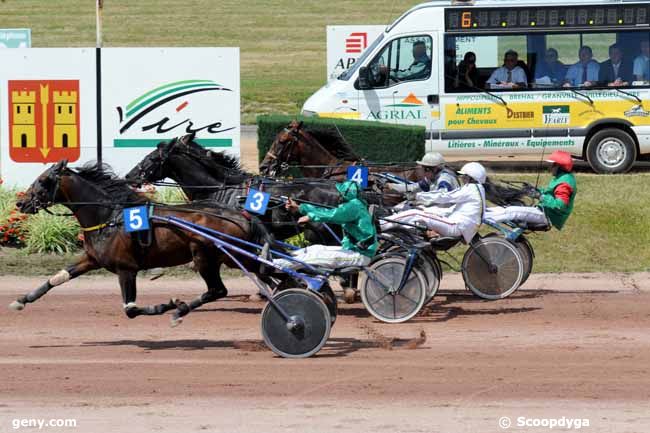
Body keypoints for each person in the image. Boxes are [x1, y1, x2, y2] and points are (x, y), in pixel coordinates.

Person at [275, 181, 377, 270]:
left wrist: (310, 216)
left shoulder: (354, 206)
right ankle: (285, 256)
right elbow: (327, 211)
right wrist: (300, 208)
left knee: (314, 257)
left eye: (341, 193)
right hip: (353, 250)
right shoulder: (356, 204)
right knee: (315, 249)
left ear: (347, 194)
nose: (340, 196)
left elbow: (332, 215)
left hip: (360, 255)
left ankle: (275, 264)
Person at [380, 162, 487, 243]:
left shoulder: (471, 189)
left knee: (414, 214)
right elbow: (450, 207)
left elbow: (445, 196)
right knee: (420, 212)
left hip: (456, 226)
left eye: (465, 176)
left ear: (471, 177)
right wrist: (425, 208)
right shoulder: (476, 188)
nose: (463, 178)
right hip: (458, 224)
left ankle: (380, 224)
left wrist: (418, 196)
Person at [485, 151, 577, 230]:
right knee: (510, 209)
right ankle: (487, 211)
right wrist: (535, 190)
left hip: (547, 216)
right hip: (544, 212)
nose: (550, 167)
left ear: (560, 167)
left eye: (553, 165)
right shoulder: (562, 178)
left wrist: (540, 196)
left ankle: (485, 216)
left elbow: (559, 205)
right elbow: (550, 194)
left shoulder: (564, 183)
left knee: (513, 211)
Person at [385, 152, 460, 194]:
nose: (423, 173)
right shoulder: (432, 178)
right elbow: (413, 187)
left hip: (447, 213)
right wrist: (392, 186)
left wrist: (419, 198)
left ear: (435, 169)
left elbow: (441, 196)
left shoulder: (444, 179)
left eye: (425, 169)